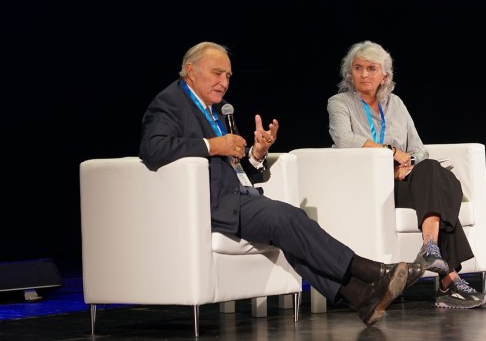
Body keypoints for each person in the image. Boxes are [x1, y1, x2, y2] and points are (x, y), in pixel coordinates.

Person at [139, 41, 418, 326]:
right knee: (287, 218)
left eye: (228, 76)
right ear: (191, 71)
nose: (224, 83)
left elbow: (233, 165)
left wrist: (256, 154)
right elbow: (153, 149)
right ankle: (374, 272)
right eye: (217, 73)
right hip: (213, 203)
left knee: (291, 230)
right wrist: (213, 145)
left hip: (239, 195)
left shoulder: (217, 109)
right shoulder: (171, 102)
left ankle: (361, 298)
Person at [327, 40, 486, 309]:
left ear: (385, 76)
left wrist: (409, 164)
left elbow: (419, 151)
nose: (364, 74)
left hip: (404, 183)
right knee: (445, 184)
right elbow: (345, 139)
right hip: (369, 185)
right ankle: (448, 280)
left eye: (371, 68)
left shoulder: (396, 105)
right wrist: (391, 153)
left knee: (430, 169)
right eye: (358, 68)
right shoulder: (339, 103)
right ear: (350, 73)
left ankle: (431, 248)